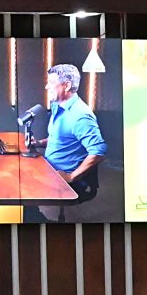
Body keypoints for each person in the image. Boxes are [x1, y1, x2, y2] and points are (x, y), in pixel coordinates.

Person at [39, 63, 107, 200]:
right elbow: (60, 138)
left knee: (21, 188)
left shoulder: (81, 115)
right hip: (49, 169)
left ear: (67, 86)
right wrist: (38, 143)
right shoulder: (57, 106)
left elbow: (99, 152)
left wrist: (71, 176)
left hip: (63, 177)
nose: (47, 87)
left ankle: (35, 218)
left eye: (51, 82)